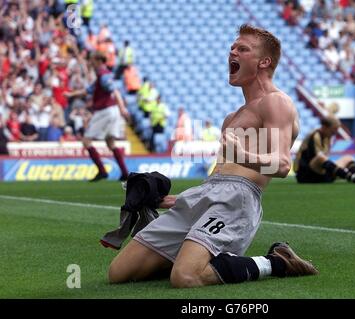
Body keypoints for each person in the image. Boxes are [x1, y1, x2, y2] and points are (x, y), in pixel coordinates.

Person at [107, 24, 318, 288]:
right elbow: (219, 179)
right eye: (232, 47)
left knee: (186, 277)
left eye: (243, 49)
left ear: (264, 62)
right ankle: (200, 258)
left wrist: (241, 154)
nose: (233, 52)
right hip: (209, 193)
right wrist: (170, 200)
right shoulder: (231, 118)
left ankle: (277, 261)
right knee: (119, 273)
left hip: (239, 200)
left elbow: (283, 164)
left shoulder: (276, 102)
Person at [64, 51, 130, 182]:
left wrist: (122, 107)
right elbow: (88, 90)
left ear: (99, 61)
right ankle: (125, 173)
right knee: (110, 142)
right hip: (112, 110)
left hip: (104, 111)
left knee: (86, 141)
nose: (90, 62)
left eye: (92, 60)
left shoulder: (103, 76)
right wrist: (71, 95)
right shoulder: (103, 75)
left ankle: (102, 171)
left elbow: (114, 91)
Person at [294, 115, 355, 184]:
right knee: (320, 157)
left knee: (348, 158)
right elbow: (318, 158)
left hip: (319, 174)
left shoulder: (327, 137)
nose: (335, 132)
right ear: (325, 127)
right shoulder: (315, 135)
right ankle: (351, 178)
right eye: (333, 129)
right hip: (306, 176)